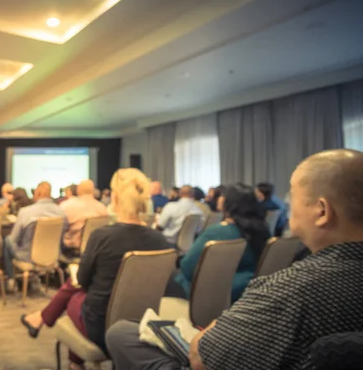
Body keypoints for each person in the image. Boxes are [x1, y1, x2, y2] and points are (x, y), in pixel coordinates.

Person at [106, 149, 363, 370]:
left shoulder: (291, 291)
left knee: (122, 333)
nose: (288, 203)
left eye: (293, 195)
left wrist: (215, 330)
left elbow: (203, 356)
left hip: (216, 344)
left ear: (321, 211)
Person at [19, 168, 172, 369]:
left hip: (101, 326)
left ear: (115, 198)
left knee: (74, 294)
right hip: (143, 322)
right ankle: (41, 321)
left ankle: (70, 357)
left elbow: (82, 280)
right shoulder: (160, 240)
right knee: (80, 290)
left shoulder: (102, 236)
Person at [168, 183, 270, 302]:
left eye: (222, 195)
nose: (219, 198)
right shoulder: (262, 230)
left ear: (229, 202)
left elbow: (187, 266)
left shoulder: (217, 233)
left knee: (168, 279)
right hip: (246, 289)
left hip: (212, 294)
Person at [2, 182, 65, 292]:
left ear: (38, 193)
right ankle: (34, 277)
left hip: (29, 257)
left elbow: (14, 238)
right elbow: (62, 234)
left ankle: (11, 280)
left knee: (7, 240)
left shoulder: (26, 212)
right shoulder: (61, 212)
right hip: (53, 256)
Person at [60, 180, 108, 259]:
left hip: (71, 252)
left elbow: (60, 229)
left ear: (78, 190)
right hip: (97, 253)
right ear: (93, 191)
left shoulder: (66, 206)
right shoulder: (103, 209)